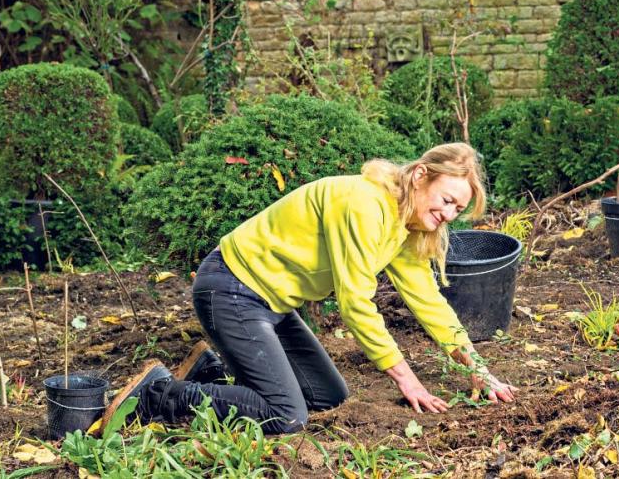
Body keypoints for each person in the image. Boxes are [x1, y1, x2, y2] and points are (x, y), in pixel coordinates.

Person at [103, 142, 517, 435]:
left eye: (457, 210)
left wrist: (478, 371)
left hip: (273, 307)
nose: (447, 214)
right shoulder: (365, 203)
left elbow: (429, 304)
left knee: (328, 397)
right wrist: (407, 380)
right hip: (231, 289)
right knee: (286, 417)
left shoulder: (406, 226)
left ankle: (209, 371)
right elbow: (356, 303)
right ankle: (158, 395)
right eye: (445, 200)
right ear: (421, 175)